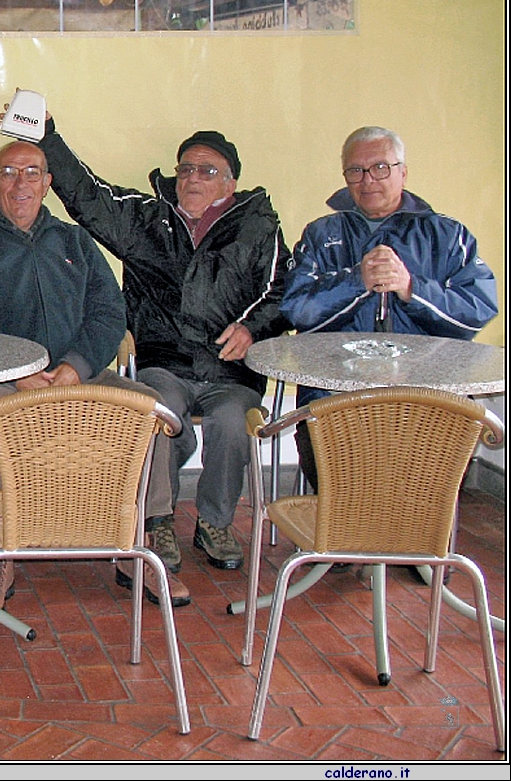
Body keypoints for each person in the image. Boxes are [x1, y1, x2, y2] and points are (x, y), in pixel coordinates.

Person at [0, 140, 190, 607]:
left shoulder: (76, 242)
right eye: (9, 173)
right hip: (3, 380)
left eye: (32, 173)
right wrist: (17, 370)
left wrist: (77, 365)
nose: (21, 184)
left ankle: (139, 545)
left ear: (48, 183)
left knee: (148, 409)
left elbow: (109, 313)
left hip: (80, 377)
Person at [37, 116, 290, 582]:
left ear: (230, 182)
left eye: (207, 171)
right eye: (186, 169)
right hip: (164, 362)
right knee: (158, 414)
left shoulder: (258, 226)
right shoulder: (149, 221)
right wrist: (45, 135)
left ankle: (215, 521)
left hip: (230, 372)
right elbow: (89, 198)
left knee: (234, 424)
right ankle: (159, 522)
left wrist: (253, 328)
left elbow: (282, 292)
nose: (192, 178)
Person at [280, 125, 497, 489]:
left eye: (381, 167)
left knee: (423, 490)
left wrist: (412, 288)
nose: (368, 180)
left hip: (428, 396)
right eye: (356, 170)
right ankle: (343, 539)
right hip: (335, 394)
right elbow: (296, 310)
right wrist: (356, 282)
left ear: (403, 172)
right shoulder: (321, 234)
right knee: (341, 485)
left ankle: (415, 539)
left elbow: (477, 308)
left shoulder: (447, 235)